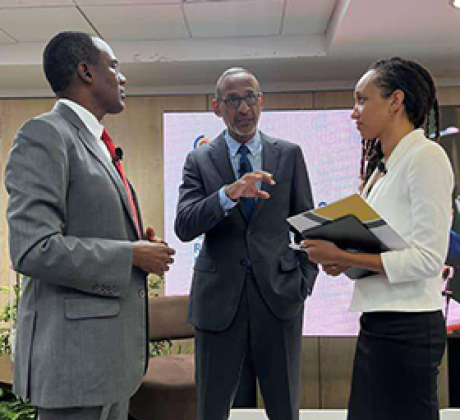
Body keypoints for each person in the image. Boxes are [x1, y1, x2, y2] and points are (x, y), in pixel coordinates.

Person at [4, 31, 175, 420]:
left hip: (109, 361)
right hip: (75, 363)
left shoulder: (95, 141)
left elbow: (88, 227)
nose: (123, 77)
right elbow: (33, 248)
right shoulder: (45, 134)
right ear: (85, 71)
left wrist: (136, 241)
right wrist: (130, 255)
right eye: (113, 66)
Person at [302, 57, 453, 420]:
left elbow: (429, 260)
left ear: (395, 101)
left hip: (410, 326)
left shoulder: (426, 157)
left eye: (361, 100)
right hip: (379, 320)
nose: (354, 113)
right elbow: (386, 246)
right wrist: (344, 259)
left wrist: (348, 256)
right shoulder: (382, 168)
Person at [174, 67, 318, 420]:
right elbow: (184, 225)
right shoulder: (199, 159)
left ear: (261, 100)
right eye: (233, 100)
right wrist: (228, 194)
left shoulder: (289, 154)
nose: (243, 108)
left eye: (250, 97)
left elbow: (307, 226)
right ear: (216, 107)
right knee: (212, 407)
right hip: (218, 300)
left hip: (280, 296)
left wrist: (303, 283)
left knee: (284, 406)